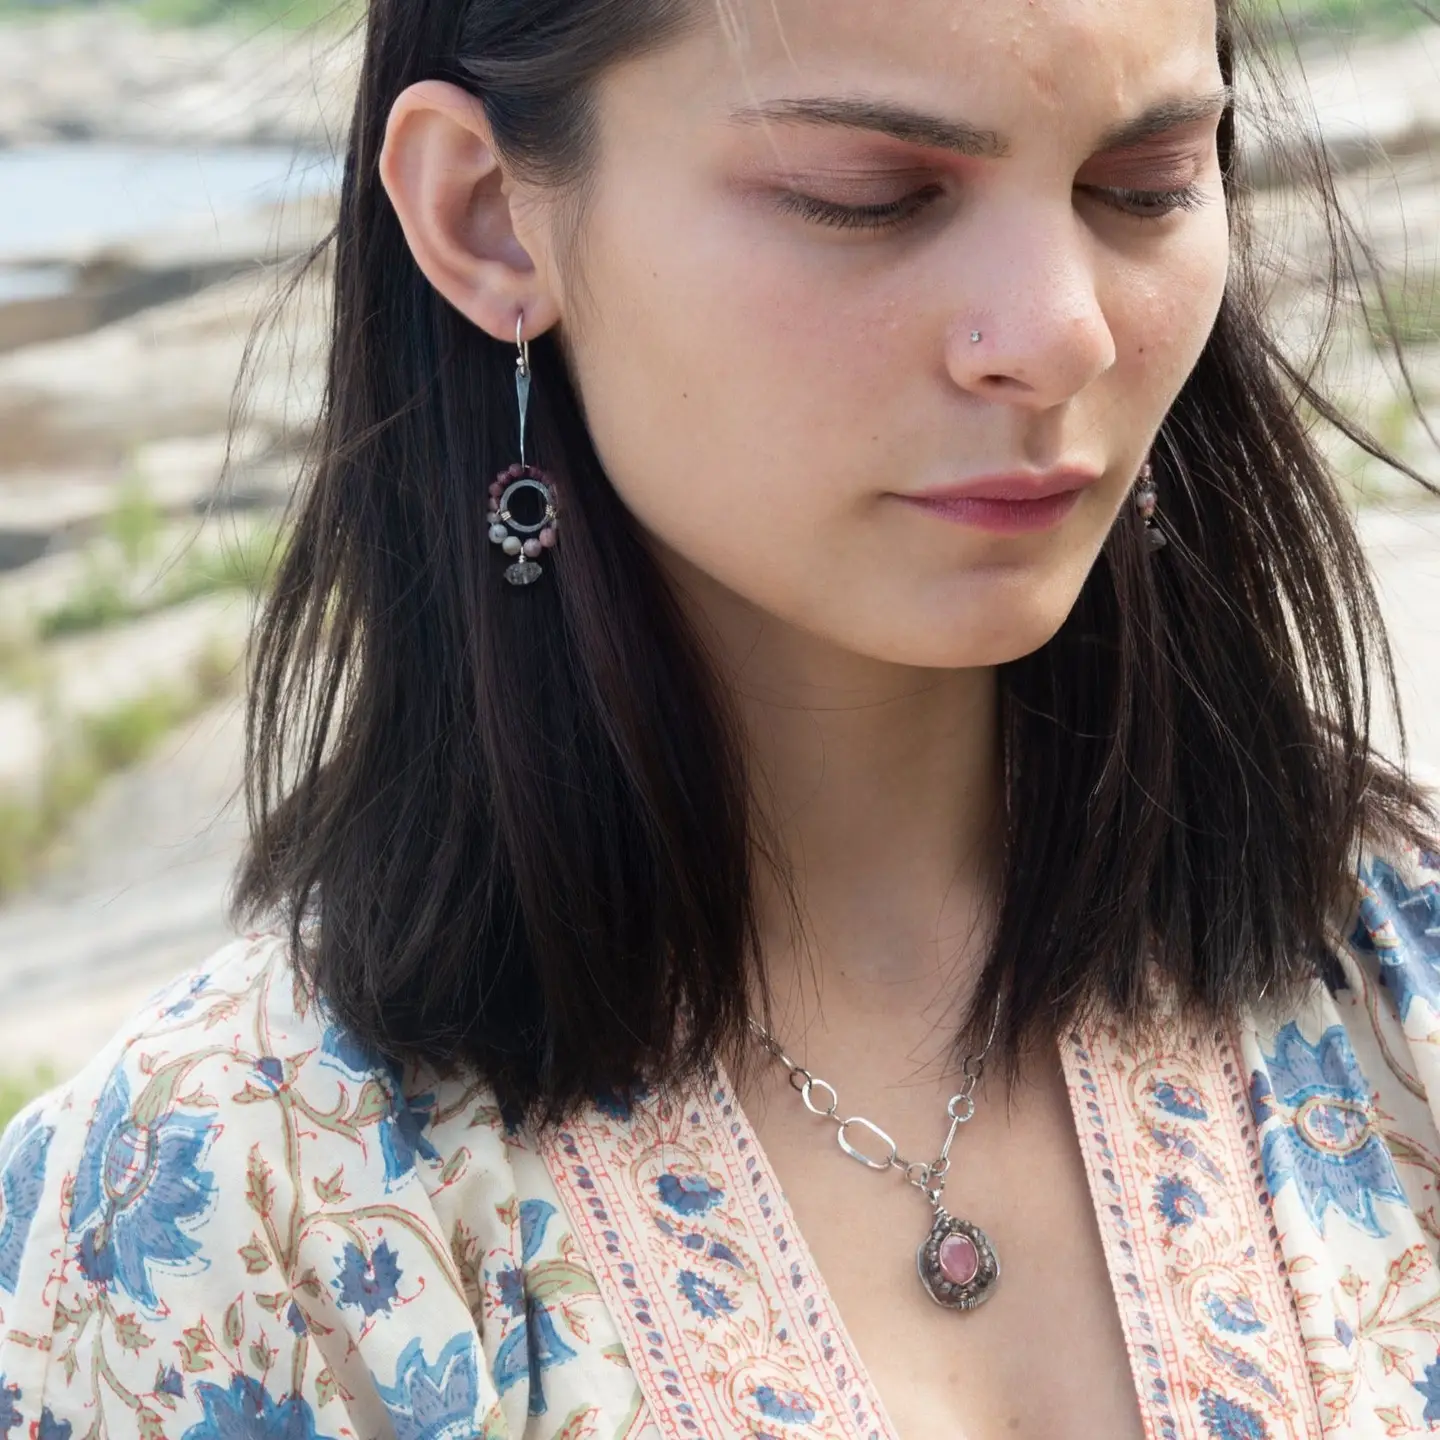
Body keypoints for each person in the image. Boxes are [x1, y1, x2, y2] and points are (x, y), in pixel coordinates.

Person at [3, 0, 1439, 1433]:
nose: (1062, 334)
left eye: (1145, 187)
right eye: (871, 197)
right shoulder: (207, 1215)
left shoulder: (1401, 964)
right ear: (492, 215)